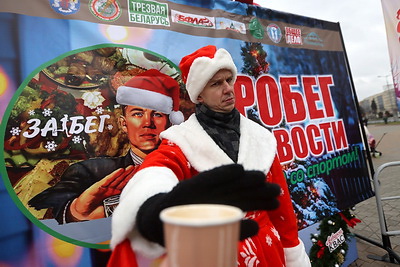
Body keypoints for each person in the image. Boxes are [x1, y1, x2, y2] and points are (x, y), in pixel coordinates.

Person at [109, 46, 311, 267]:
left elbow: (283, 210)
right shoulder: (181, 141)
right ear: (199, 96)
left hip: (269, 252)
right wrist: (152, 209)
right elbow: (157, 169)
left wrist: (293, 253)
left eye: (228, 80)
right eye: (216, 83)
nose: (227, 89)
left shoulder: (261, 137)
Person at [28, 69, 183, 224]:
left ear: (170, 122)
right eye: (137, 114)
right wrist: (76, 212)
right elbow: (51, 205)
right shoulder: (89, 171)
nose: (147, 123)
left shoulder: (189, 167)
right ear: (123, 123)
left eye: (157, 114)